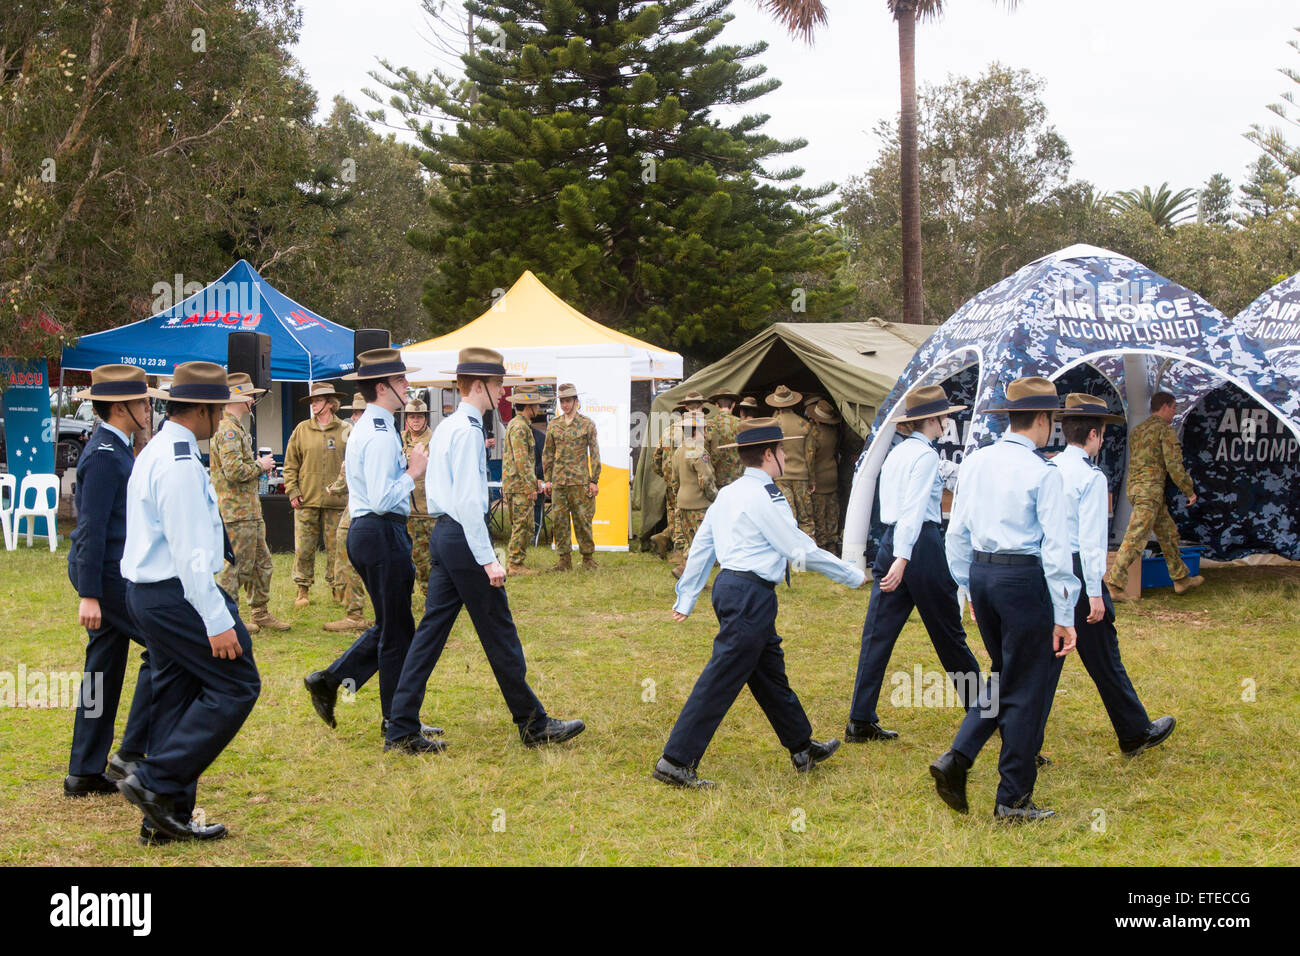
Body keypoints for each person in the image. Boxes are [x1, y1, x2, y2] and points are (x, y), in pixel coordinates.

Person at [385, 347, 586, 754]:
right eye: (497, 384)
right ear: (479, 386)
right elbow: (468, 501)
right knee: (499, 633)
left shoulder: (449, 427)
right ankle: (533, 724)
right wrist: (489, 559)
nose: (504, 391)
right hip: (461, 536)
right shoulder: (468, 430)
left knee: (431, 635)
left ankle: (401, 726)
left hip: (447, 535)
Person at [654, 417, 866, 789]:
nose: (786, 455)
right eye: (783, 450)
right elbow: (798, 548)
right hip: (750, 595)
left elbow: (704, 543)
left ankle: (802, 747)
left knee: (770, 676)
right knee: (722, 678)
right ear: (770, 455)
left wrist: (687, 596)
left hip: (733, 590)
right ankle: (675, 760)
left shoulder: (731, 492)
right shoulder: (765, 496)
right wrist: (850, 574)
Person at [118, 361, 261, 845]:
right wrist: (218, 620)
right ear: (201, 408)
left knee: (176, 697)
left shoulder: (161, 449)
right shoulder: (177, 461)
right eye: (218, 408)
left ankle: (164, 817)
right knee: (238, 684)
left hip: (153, 595)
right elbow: (190, 555)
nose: (222, 417)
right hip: (177, 593)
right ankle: (155, 781)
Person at [929, 377, 1078, 822]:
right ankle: (1009, 797)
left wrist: (969, 587)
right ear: (1044, 420)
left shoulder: (977, 462)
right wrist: (1065, 614)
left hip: (983, 572)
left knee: (1007, 675)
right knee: (1027, 687)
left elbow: (955, 531)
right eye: (1052, 417)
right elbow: (1055, 549)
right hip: (1023, 579)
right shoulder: (1043, 472)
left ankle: (960, 758)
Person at [302, 349, 429, 735]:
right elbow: (379, 497)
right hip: (378, 529)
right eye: (401, 380)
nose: (407, 385)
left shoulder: (378, 426)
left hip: (374, 532)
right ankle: (397, 724)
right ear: (382, 386)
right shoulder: (376, 432)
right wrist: (413, 472)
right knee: (396, 632)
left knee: (394, 626)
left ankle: (332, 682)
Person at [844, 386, 981, 742]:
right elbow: (915, 510)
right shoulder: (924, 457)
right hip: (918, 545)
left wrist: (896, 555)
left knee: (878, 633)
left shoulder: (899, 453)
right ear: (933, 419)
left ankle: (860, 718)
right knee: (950, 635)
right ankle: (986, 713)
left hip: (893, 542)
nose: (948, 421)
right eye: (945, 415)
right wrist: (905, 558)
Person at [1049, 394, 1176, 756]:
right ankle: (1135, 731)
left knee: (1045, 659)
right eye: (1102, 433)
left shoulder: (1050, 468)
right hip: (1076, 569)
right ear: (1093, 435)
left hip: (1049, 568)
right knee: (1104, 655)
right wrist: (1094, 592)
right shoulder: (1090, 477)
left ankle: (1023, 740)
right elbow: (1090, 543)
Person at [63, 365, 163, 799]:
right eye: (143, 401)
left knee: (100, 674)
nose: (149, 407)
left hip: (107, 573)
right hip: (105, 576)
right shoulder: (106, 453)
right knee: (166, 648)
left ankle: (84, 771)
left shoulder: (115, 446)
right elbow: (90, 527)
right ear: (122, 407)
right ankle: (132, 752)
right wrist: (89, 594)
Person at [210, 373, 289, 635]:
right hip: (236, 512)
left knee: (261, 564)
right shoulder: (228, 429)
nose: (254, 400)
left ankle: (260, 612)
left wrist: (254, 465)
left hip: (248, 511)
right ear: (240, 397)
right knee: (236, 569)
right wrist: (260, 465)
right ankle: (228, 617)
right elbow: (233, 471)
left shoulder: (236, 428)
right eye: (251, 395)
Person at [1104, 391, 1202, 600]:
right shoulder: (1164, 430)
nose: (1175, 413)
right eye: (1174, 408)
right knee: (1135, 536)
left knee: (1168, 533)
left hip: (1138, 489)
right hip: (1150, 492)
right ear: (1165, 406)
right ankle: (1114, 583)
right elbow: (1174, 465)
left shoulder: (1138, 430)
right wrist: (1189, 490)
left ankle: (1181, 578)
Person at [283, 381, 349, 608]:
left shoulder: (345, 430)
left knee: (337, 549)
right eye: (312, 401)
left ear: (331, 403)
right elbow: (290, 464)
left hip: (337, 501)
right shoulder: (302, 429)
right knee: (304, 547)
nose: (314, 405)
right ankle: (302, 589)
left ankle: (337, 589)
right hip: (306, 499)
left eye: (319, 400)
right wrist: (292, 489)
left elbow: (354, 465)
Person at [542, 383, 601, 571]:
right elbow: (548, 453)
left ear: (576, 401)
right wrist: (548, 479)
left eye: (568, 401)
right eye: (562, 401)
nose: (565, 405)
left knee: (582, 520)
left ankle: (588, 559)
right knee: (559, 521)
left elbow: (595, 452)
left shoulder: (586, 424)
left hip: (580, 481)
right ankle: (564, 559)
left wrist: (594, 480)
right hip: (559, 481)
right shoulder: (554, 425)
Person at [765, 385, 819, 536]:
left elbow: (768, 454)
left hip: (780, 477)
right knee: (806, 520)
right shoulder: (805, 425)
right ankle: (809, 556)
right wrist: (812, 479)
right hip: (801, 477)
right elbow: (810, 455)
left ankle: (791, 559)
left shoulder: (772, 425)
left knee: (787, 520)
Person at [502, 388, 545, 576]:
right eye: (536, 404)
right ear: (529, 406)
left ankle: (514, 562)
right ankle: (515, 564)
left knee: (521, 524)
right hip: (519, 486)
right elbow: (522, 460)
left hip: (515, 484)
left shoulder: (517, 424)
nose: (539, 408)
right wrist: (531, 486)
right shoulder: (520, 427)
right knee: (523, 525)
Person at [670, 411, 717, 578]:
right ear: (697, 430)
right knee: (703, 543)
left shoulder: (679, 451)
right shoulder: (698, 451)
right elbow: (706, 479)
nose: (706, 433)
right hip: (699, 505)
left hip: (683, 503)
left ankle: (689, 574)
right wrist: (715, 497)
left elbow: (674, 479)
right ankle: (686, 569)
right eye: (704, 429)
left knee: (693, 541)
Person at [403, 399, 434, 592]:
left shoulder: (434, 441)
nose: (415, 420)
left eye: (419, 416)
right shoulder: (398, 439)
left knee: (426, 558)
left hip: (425, 510)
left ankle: (429, 593)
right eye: (412, 416)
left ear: (426, 418)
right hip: (402, 509)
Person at [807, 399, 843, 553]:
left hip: (819, 479)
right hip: (833, 474)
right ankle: (833, 546)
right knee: (832, 512)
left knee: (820, 515)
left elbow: (810, 458)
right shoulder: (833, 432)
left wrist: (810, 479)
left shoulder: (813, 434)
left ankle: (822, 548)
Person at [705, 390, 743, 486]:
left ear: (717, 405)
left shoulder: (709, 424)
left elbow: (704, 451)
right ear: (733, 404)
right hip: (739, 477)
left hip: (718, 479)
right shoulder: (742, 424)